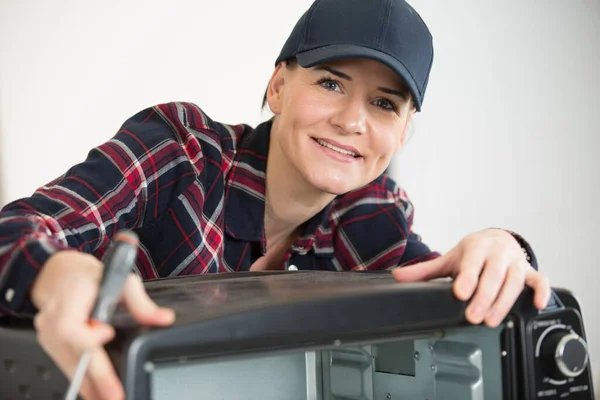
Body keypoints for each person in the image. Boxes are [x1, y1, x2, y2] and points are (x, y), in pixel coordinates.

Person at [0, 0, 551, 399]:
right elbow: (17, 230)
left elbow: (444, 294)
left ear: (403, 133)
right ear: (279, 88)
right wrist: (57, 274)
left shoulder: (370, 211)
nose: (352, 121)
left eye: (384, 104)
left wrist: (502, 247)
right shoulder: (183, 150)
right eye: (331, 84)